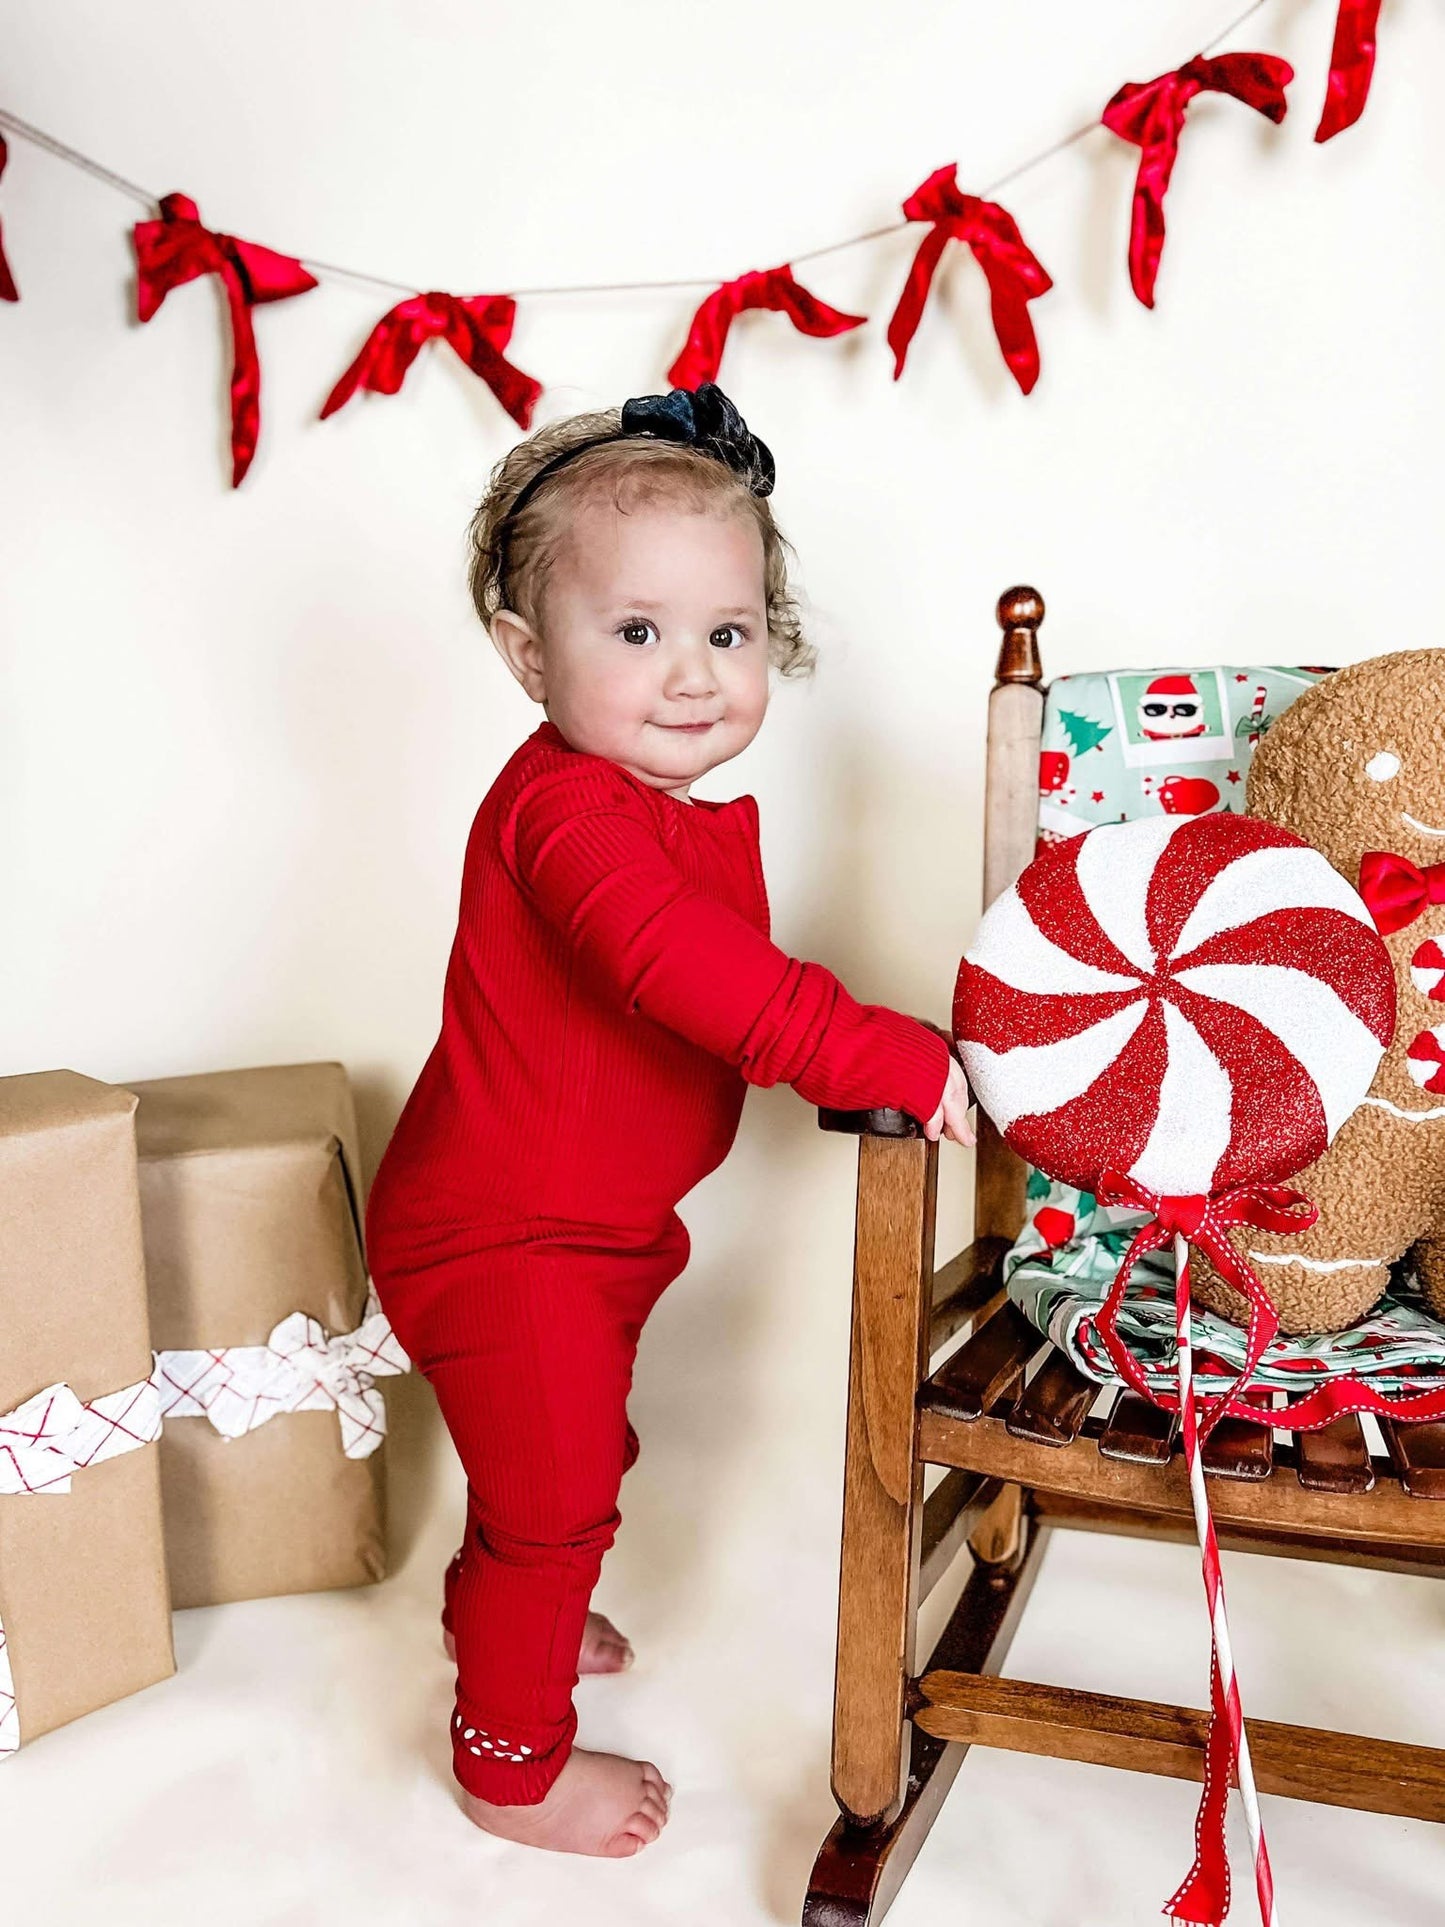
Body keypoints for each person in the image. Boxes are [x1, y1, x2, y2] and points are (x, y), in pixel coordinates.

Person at [364, 382, 974, 1860]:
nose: (694, 675)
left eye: (730, 632)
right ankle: (508, 1766)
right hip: (504, 1233)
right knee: (559, 1492)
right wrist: (869, 1050)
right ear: (528, 655)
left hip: (586, 1226)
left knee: (566, 1462)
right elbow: (683, 969)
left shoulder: (638, 801)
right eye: (635, 633)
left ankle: (508, 1607)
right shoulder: (571, 815)